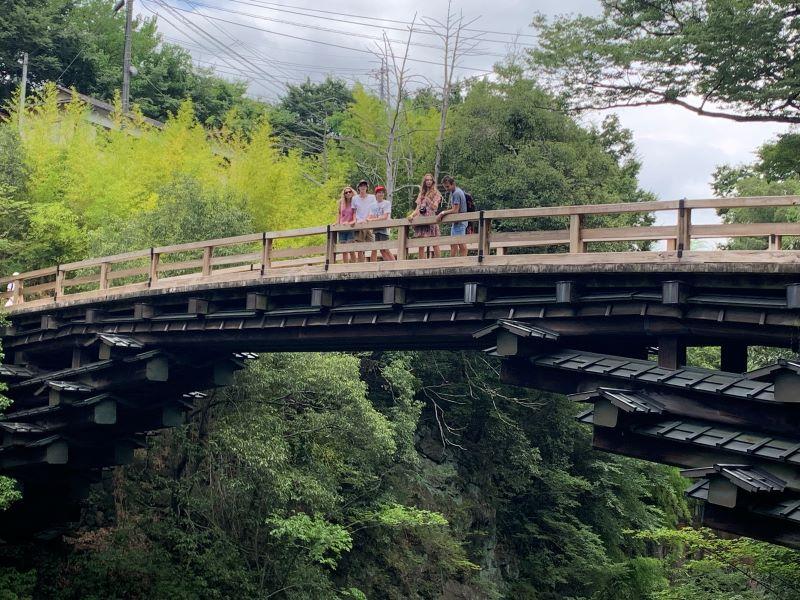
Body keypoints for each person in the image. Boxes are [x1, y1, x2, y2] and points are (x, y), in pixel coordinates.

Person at [409, 173, 442, 259]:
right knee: (421, 244)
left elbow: (435, 207)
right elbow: (417, 208)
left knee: (434, 243)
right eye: (427, 180)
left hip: (430, 219)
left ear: (433, 181)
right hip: (421, 220)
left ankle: (439, 262)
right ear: (424, 182)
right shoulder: (421, 194)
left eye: (430, 180)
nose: (428, 181)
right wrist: (411, 215)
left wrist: (428, 200)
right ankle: (421, 263)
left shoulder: (436, 193)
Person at [438, 175, 468, 257]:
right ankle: (453, 261)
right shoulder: (454, 192)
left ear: (453, 184)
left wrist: (442, 213)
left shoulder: (456, 193)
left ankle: (463, 261)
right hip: (457, 222)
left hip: (460, 222)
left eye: (447, 186)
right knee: (453, 243)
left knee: (461, 243)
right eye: (445, 187)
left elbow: (455, 210)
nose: (446, 189)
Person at [367, 186, 395, 262]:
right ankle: (388, 264)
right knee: (381, 249)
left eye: (382, 192)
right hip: (375, 229)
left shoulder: (386, 203)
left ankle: (395, 264)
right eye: (379, 192)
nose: (381, 194)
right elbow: (370, 216)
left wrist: (373, 220)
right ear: (376, 194)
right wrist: (369, 219)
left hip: (384, 228)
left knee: (385, 248)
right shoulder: (372, 205)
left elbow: (385, 217)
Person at [352, 179, 376, 262]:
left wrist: (367, 219)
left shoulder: (372, 197)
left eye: (365, 185)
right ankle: (361, 264)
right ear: (358, 188)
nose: (363, 187)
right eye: (361, 185)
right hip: (359, 224)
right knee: (359, 246)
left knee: (374, 245)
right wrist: (355, 221)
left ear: (367, 187)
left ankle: (373, 264)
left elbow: (373, 210)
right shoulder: (355, 198)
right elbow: (354, 212)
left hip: (369, 223)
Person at [336, 187, 357, 263]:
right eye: (346, 192)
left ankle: (354, 265)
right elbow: (339, 213)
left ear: (352, 192)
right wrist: (337, 222)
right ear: (344, 194)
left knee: (350, 248)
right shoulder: (341, 202)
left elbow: (355, 215)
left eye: (349, 192)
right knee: (344, 250)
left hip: (350, 227)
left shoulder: (354, 202)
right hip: (342, 228)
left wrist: (351, 222)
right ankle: (345, 266)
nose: (348, 193)